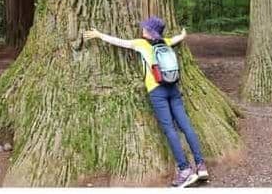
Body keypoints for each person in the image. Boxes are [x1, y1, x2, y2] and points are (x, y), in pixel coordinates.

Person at [83, 16, 207, 188]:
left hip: (157, 91)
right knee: (186, 126)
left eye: (145, 28)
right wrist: (183, 35)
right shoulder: (166, 42)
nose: (142, 30)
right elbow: (177, 38)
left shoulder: (141, 44)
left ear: (149, 32)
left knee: (169, 129)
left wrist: (99, 35)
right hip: (173, 88)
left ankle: (185, 170)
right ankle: (201, 166)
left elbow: (119, 42)